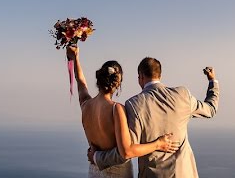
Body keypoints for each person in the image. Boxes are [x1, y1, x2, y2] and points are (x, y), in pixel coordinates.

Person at [92, 56, 219, 178]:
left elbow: (126, 151)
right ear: (160, 75)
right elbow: (211, 109)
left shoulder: (134, 104)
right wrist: (212, 81)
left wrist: (97, 156)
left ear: (140, 77)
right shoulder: (183, 95)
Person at [67, 46, 177, 177]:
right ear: (118, 83)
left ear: (99, 79)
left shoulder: (85, 105)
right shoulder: (116, 109)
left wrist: (75, 58)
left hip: (94, 171)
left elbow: (81, 82)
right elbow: (126, 152)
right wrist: (158, 144)